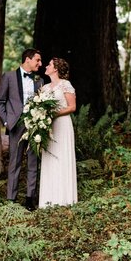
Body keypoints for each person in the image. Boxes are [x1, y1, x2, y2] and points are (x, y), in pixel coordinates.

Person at [0, 48, 43, 210]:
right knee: (14, 163)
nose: (40, 64)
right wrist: (7, 122)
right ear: (28, 59)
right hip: (16, 125)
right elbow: (0, 102)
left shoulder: (39, 80)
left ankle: (30, 199)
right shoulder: (8, 76)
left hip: (35, 125)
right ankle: (11, 199)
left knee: (33, 162)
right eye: (37, 60)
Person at [38, 57, 78, 208]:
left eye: (49, 64)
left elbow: (72, 107)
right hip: (49, 127)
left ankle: (65, 199)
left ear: (55, 68)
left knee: (62, 156)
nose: (46, 66)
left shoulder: (65, 85)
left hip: (62, 125)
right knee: (50, 158)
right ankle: (48, 200)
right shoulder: (44, 88)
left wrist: (54, 114)